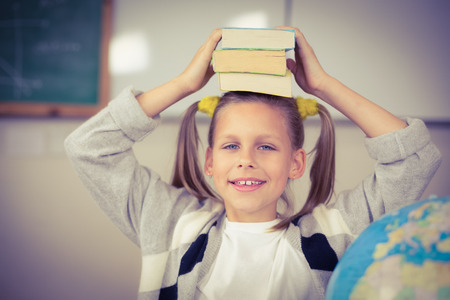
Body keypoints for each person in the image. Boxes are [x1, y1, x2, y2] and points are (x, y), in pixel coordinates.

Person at [65, 27, 441, 299]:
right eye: (230, 147)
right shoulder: (169, 224)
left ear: (296, 164)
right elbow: (89, 147)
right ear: (209, 160)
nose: (245, 160)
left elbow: (414, 159)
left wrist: (324, 85)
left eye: (266, 147)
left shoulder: (341, 232)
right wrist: (183, 84)